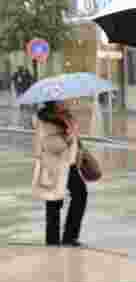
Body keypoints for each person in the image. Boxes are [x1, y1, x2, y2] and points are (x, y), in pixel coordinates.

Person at [32, 100, 87, 246]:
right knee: (66, 197)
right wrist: (70, 136)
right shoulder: (46, 120)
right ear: (54, 103)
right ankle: (60, 239)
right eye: (62, 100)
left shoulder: (63, 116)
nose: (66, 101)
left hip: (66, 162)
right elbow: (52, 144)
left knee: (71, 196)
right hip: (55, 164)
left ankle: (63, 238)